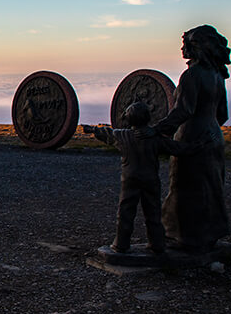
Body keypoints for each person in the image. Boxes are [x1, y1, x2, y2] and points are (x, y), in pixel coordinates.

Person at [84, 103, 205, 254]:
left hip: (129, 179)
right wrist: (200, 145)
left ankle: (121, 244)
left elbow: (106, 133)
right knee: (153, 212)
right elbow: (178, 148)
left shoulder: (122, 135)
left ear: (129, 119)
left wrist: (92, 129)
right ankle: (157, 244)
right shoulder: (155, 138)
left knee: (125, 212)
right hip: (150, 179)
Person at [155, 25, 231, 253]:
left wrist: (157, 130)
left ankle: (185, 237)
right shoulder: (217, 76)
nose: (182, 48)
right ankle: (208, 235)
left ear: (197, 47)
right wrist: (210, 128)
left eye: (187, 43)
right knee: (210, 188)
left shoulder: (192, 76)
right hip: (214, 136)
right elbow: (223, 115)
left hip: (191, 136)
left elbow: (182, 111)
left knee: (184, 187)